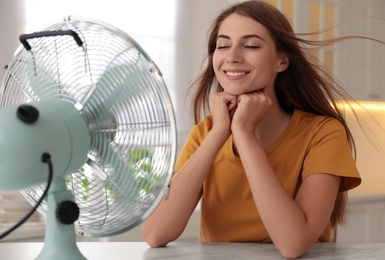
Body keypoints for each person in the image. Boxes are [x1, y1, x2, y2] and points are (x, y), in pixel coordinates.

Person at [142, 1, 362, 258]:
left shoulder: (323, 133)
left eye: (251, 45)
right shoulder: (206, 133)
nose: (232, 56)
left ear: (281, 61)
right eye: (222, 45)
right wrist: (219, 132)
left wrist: (245, 135)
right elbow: (156, 233)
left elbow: (293, 245)